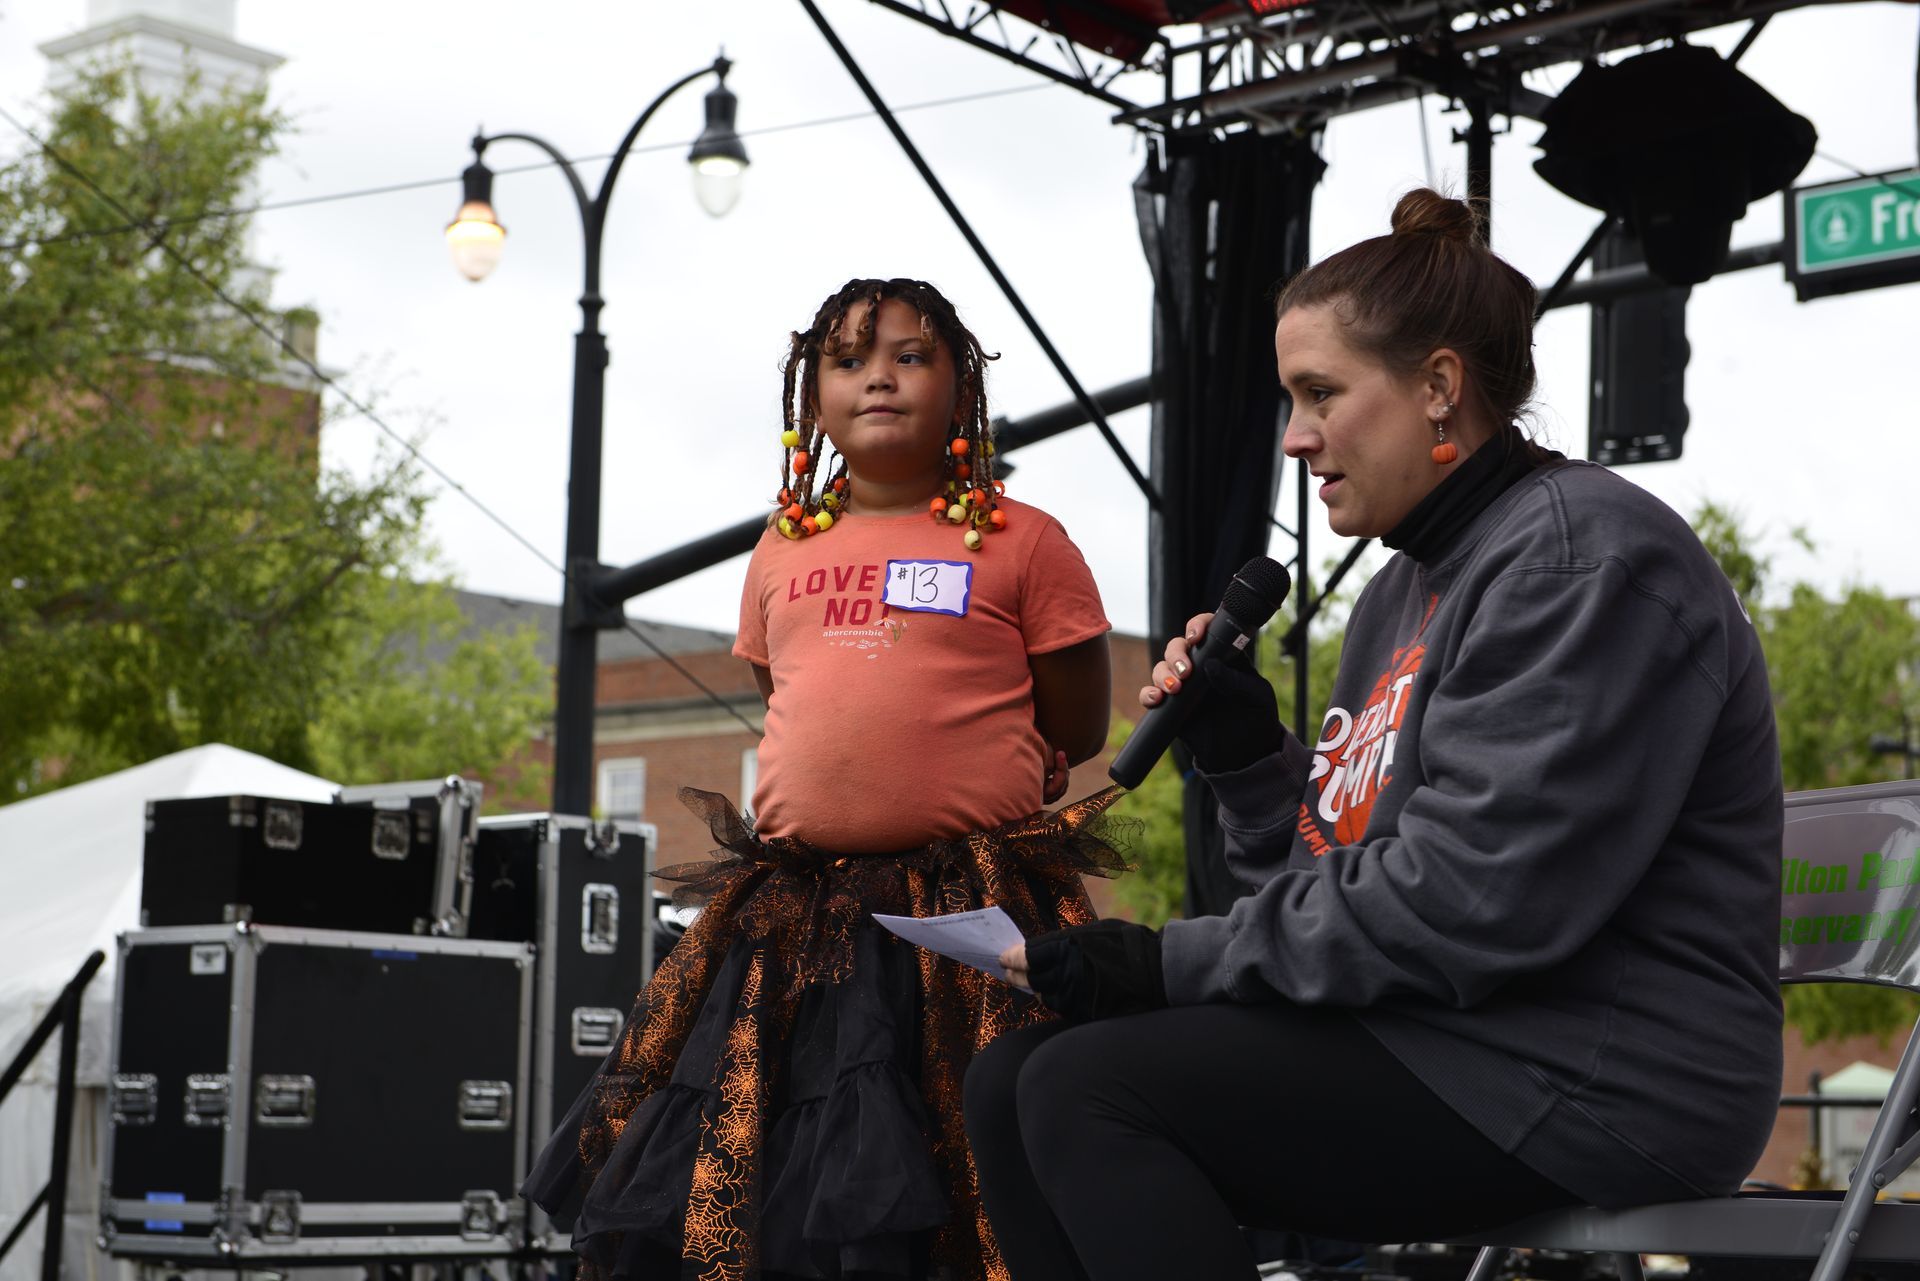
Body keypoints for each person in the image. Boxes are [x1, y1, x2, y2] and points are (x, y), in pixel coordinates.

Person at [961, 189, 1785, 1281]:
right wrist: (1251, 761)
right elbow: (1330, 886)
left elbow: (1469, 906)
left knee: (1089, 1088)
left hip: (1606, 1076)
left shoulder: (1581, 560)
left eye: (1320, 394)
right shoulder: (1405, 590)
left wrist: (1167, 964)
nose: (1296, 438)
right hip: (1456, 1034)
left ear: (1439, 387)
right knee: (1010, 1078)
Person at [523, 277, 1127, 1281]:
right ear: (811, 403)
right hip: (801, 917)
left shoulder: (1028, 541)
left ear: (961, 386)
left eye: (908, 356)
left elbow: (1077, 720)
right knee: (778, 1179)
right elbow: (789, 693)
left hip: (966, 913)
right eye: (847, 361)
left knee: (972, 1171)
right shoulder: (780, 549)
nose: (877, 379)